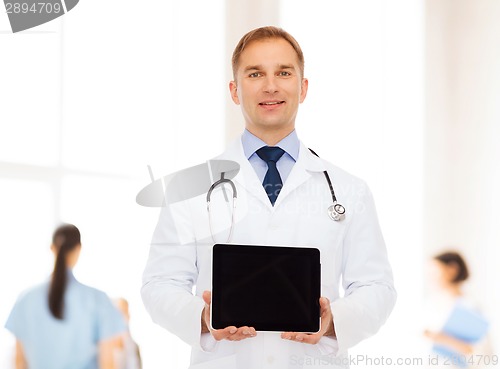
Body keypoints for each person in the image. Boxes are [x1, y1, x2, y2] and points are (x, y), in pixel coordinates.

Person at [141, 26, 396, 369]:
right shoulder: (191, 188)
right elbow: (160, 284)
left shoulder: (349, 190)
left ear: (303, 88)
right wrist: (203, 317)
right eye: (255, 73)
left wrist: (333, 320)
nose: (271, 85)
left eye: (284, 73)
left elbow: (377, 287)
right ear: (234, 90)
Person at [5, 224, 126, 369]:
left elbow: (19, 362)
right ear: (79, 249)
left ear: (52, 248)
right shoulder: (97, 300)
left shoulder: (25, 300)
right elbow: (107, 364)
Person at [423, 251, 493, 368]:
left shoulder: (471, 306)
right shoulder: (430, 304)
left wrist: (445, 339)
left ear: (452, 269)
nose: (430, 278)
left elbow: (485, 354)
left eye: (434, 272)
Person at [113, 298, 142, 369]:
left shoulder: (134, 346)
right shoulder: (102, 348)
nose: (126, 315)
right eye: (121, 312)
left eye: (126, 312)